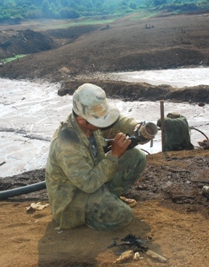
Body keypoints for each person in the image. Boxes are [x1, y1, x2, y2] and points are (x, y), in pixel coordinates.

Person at [45, 83, 156, 231]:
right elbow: (88, 184)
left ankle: (109, 197)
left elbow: (116, 123)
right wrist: (114, 155)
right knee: (122, 215)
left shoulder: (87, 123)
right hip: (74, 198)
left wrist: (135, 127)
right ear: (81, 121)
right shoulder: (66, 144)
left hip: (93, 182)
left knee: (136, 158)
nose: (103, 123)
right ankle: (89, 217)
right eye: (99, 120)